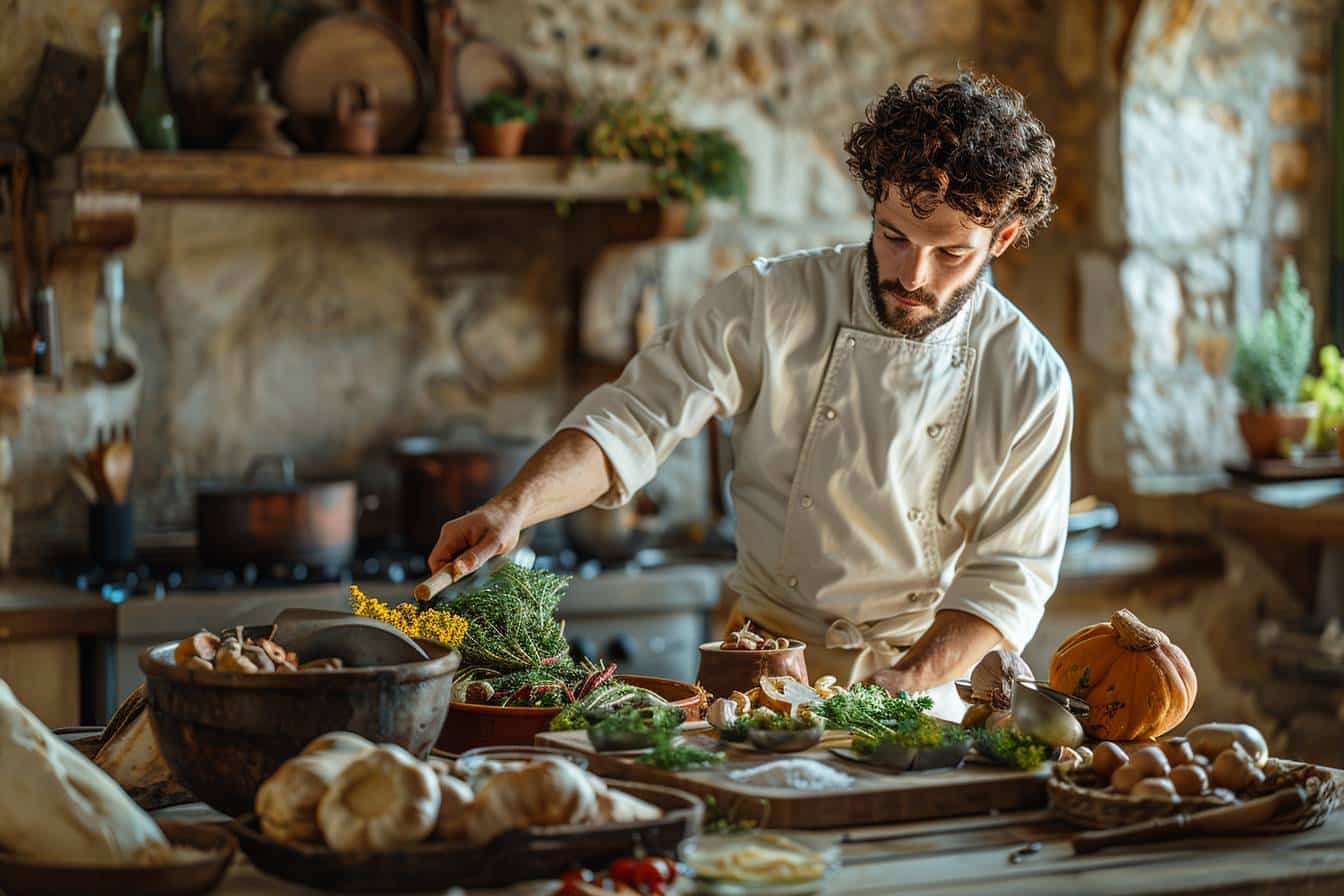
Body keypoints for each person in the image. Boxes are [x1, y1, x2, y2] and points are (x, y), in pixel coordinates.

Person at [428, 72, 1072, 719]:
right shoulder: (772, 301)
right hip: (755, 679)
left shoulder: (1028, 378)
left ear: (1003, 239)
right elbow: (637, 416)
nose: (912, 275)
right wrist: (516, 507)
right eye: (893, 235)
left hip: (915, 693)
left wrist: (904, 684)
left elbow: (1008, 577)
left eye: (951, 253)